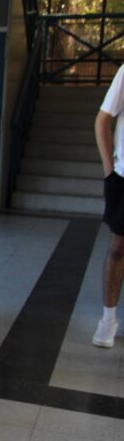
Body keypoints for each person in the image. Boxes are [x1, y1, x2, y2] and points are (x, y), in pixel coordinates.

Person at [94, 62, 124, 348]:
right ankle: (108, 319)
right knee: (118, 247)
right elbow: (102, 120)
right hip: (123, 176)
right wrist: (109, 171)